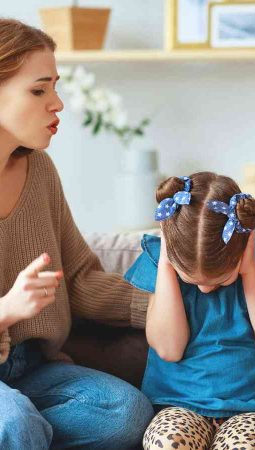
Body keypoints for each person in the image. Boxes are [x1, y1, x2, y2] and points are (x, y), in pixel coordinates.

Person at [0, 18, 153, 449]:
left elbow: (79, 277)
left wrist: (164, 305)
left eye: (56, 87)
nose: (58, 103)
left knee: (125, 414)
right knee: (14, 422)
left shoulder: (40, 171)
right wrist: (7, 310)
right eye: (39, 89)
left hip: (30, 368)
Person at [124, 172, 255, 450]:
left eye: (221, 279)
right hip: (180, 405)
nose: (205, 290)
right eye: (192, 280)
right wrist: (166, 262)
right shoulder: (162, 263)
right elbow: (169, 349)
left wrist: (248, 268)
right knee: (166, 444)